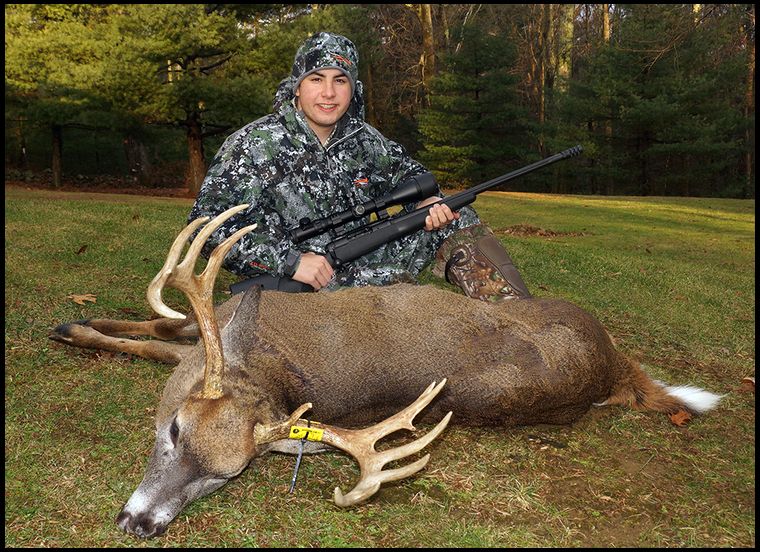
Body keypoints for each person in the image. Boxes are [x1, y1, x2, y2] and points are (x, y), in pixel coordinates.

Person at [188, 32, 531, 301]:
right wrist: (291, 261)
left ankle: (522, 320)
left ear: (353, 89)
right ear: (297, 87)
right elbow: (206, 227)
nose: (328, 93)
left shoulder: (366, 140)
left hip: (366, 256)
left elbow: (413, 176)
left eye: (340, 80)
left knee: (457, 215)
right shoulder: (252, 144)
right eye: (316, 79)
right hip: (300, 279)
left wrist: (426, 202)